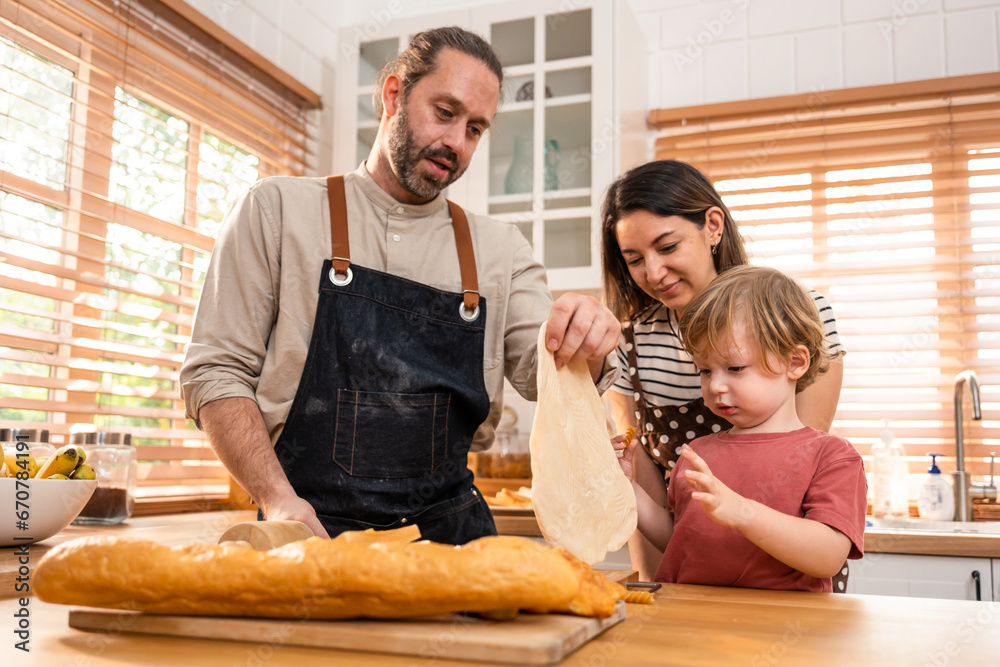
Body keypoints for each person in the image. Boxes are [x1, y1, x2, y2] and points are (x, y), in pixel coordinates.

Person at [180, 27, 619, 545]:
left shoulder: (502, 251)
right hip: (305, 534)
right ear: (393, 94)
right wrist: (277, 498)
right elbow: (215, 372)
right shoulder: (275, 210)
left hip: (454, 546)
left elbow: (549, 371)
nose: (456, 142)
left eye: (476, 129)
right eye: (445, 112)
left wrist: (586, 338)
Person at [600, 159, 846, 579]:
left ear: (712, 226)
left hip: (787, 575)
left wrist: (740, 512)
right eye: (634, 259)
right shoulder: (628, 343)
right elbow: (655, 501)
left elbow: (798, 464)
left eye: (667, 246)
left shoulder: (795, 313)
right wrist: (655, 589)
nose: (653, 273)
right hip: (695, 576)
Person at [613, 265, 866, 591]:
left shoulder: (831, 457)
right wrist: (629, 490)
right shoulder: (698, 453)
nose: (715, 385)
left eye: (734, 367)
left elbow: (829, 556)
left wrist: (742, 513)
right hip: (693, 625)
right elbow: (681, 541)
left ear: (795, 362)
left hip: (784, 634)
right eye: (704, 371)